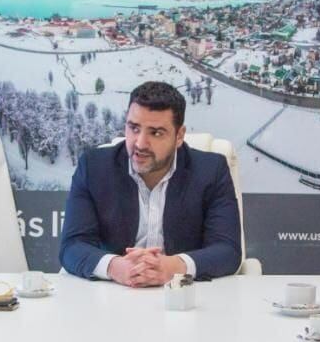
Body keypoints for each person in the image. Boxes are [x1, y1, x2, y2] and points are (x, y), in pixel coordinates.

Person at [59, 81, 242, 286]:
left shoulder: (211, 170)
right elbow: (72, 246)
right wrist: (115, 267)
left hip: (183, 297)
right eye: (134, 128)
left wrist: (173, 267)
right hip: (114, 294)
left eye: (156, 133)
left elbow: (228, 250)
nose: (140, 143)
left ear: (179, 136)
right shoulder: (94, 167)